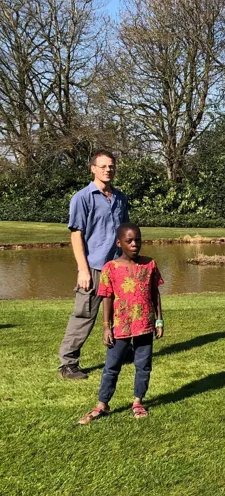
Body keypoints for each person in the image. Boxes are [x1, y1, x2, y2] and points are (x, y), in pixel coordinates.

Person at [77, 224, 164, 424]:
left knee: (143, 365)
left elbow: (155, 294)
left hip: (145, 323)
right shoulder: (110, 268)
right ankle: (102, 405)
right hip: (121, 325)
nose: (135, 245)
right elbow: (107, 297)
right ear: (119, 243)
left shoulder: (149, 264)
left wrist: (159, 320)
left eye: (138, 240)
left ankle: (138, 402)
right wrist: (106, 326)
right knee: (111, 366)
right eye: (129, 241)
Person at [58, 149, 130, 380]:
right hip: (94, 268)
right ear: (93, 169)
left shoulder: (120, 197)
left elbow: (124, 232)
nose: (108, 170)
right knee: (84, 315)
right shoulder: (82, 197)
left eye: (111, 166)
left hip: (117, 267)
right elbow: (76, 235)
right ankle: (68, 364)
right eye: (103, 166)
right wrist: (83, 269)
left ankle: (121, 351)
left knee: (121, 313)